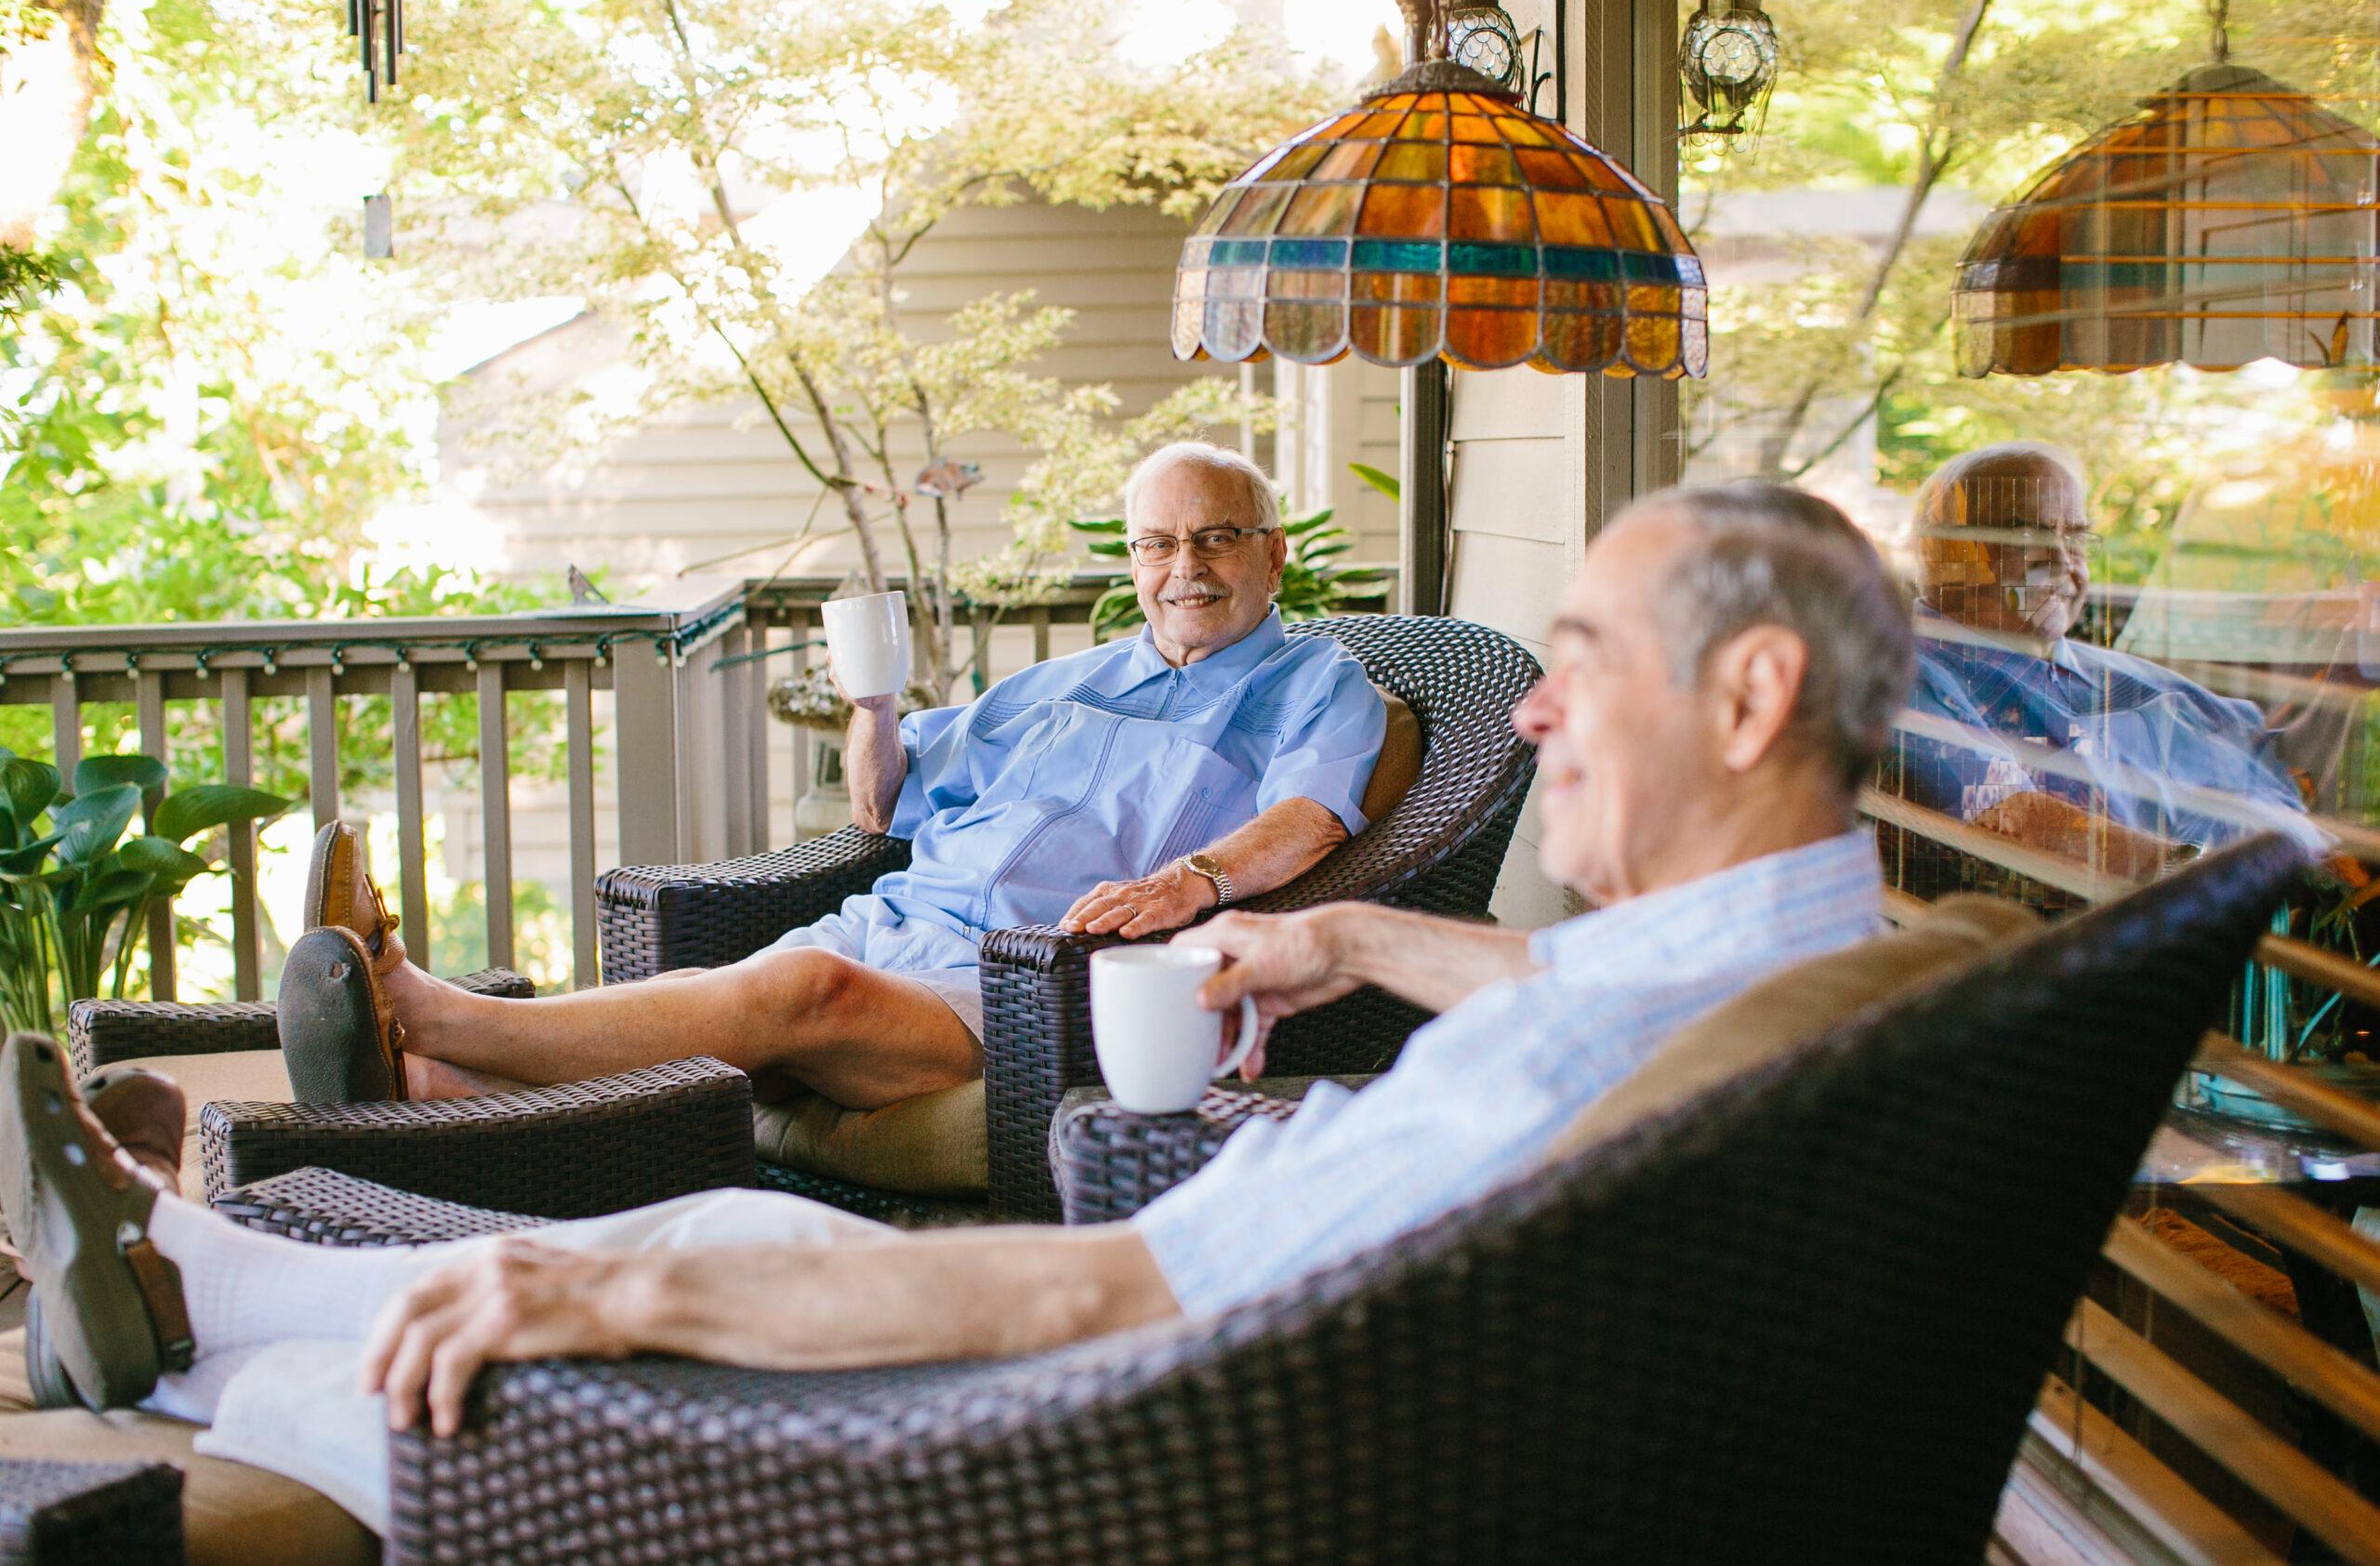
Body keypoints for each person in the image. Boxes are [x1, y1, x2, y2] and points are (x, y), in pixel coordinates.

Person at [1, 480, 1916, 1535]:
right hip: (1235, 1346)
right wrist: (1362, 945)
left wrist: (614, 1295)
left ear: (1743, 700)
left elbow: (1094, 1290)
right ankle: (181, 1282)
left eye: (1575, 666)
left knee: (576, 1300)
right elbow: (1549, 983)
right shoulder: (1776, 969)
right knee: (735, 1214)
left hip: (1103, 1451)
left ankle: (194, 1356)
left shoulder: (1594, 1012)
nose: (1535, 715)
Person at [278, 440, 1387, 1113]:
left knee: (801, 995)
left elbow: (1313, 817)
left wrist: (1189, 880)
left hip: (1024, 985)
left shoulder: (1314, 682)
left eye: (1217, 538)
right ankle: (424, 1091)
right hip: (894, 925)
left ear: (1272, 551)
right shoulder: (1065, 681)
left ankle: (426, 1010)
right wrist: (870, 705)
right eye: (1158, 543)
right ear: (1135, 557)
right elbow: (883, 803)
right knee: (748, 1004)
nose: (1184, 568)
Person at [1897, 441, 2305, 861]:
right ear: (1945, 554)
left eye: (2074, 537)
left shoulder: (2120, 676)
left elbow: (2271, 755)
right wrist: (2214, 883)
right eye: (2026, 535)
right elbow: (2014, 819)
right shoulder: (1906, 676)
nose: (2060, 561)